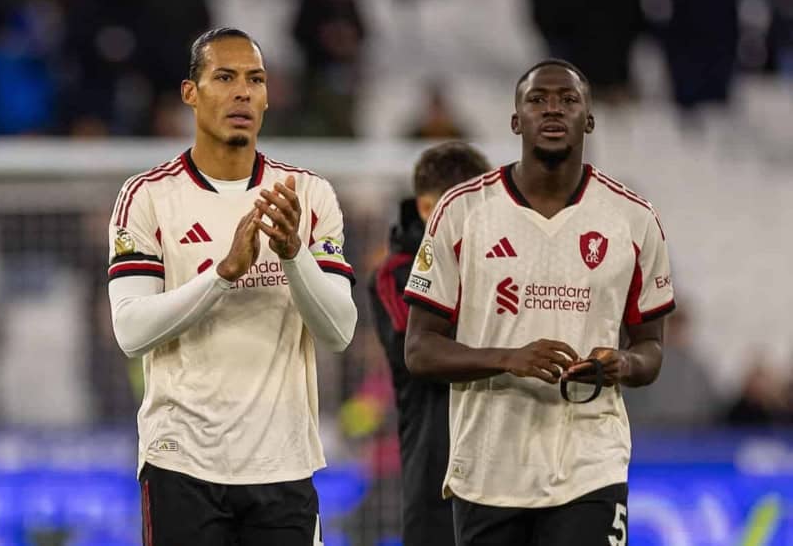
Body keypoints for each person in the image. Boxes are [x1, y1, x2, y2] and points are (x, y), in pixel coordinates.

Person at [403, 59, 676, 546]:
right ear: (516, 120)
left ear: (589, 119)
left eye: (568, 100)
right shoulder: (461, 211)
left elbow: (651, 349)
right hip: (488, 470)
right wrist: (509, 359)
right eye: (537, 100)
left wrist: (622, 363)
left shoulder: (633, 220)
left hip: (591, 466)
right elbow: (419, 350)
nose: (553, 110)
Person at [107, 28, 357, 546]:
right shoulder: (148, 197)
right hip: (182, 464)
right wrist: (222, 275)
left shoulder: (307, 195)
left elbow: (339, 331)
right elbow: (131, 331)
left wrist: (293, 254)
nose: (242, 92)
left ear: (267, 98)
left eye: (255, 80)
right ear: (190, 93)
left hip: (283, 464)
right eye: (224, 77)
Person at [369, 142, 490, 546]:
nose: (480, 215)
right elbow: (423, 352)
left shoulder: (499, 265)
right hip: (436, 472)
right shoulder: (395, 275)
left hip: (504, 466)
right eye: (465, 203)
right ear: (426, 209)